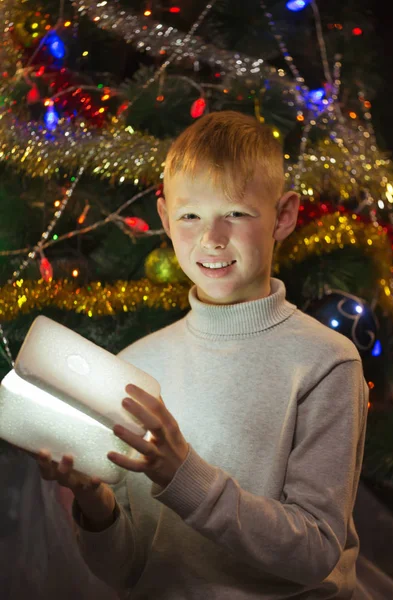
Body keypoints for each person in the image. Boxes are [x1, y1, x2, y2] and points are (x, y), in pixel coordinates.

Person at [36, 111, 369, 599]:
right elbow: (127, 571)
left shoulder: (326, 362)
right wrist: (96, 506)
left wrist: (183, 475)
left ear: (284, 216)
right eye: (190, 215)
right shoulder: (135, 365)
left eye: (235, 212)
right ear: (165, 218)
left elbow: (316, 552)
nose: (212, 238)